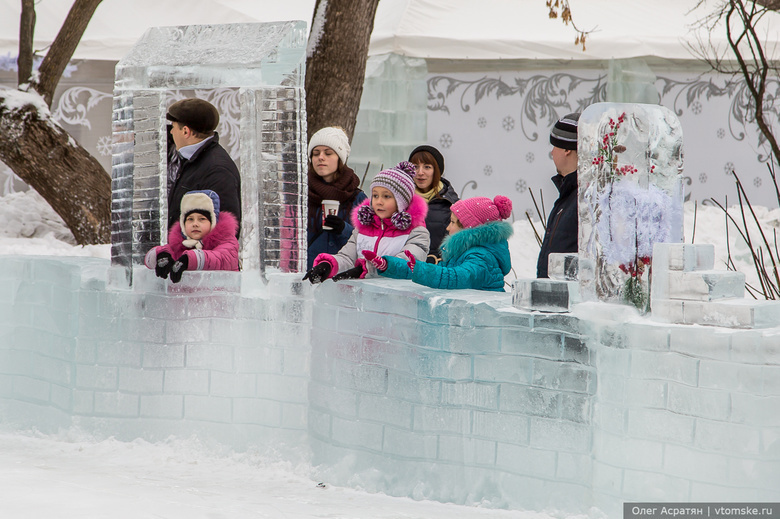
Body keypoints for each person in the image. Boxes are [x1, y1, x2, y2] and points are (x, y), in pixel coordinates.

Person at [303, 161, 430, 283]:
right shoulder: (363, 228)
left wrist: (366, 269)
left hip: (397, 302)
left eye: (386, 196)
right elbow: (347, 257)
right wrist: (330, 265)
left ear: (401, 202)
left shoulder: (417, 232)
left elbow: (406, 264)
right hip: (363, 301)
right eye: (375, 195)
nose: (379, 201)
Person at [379, 196, 514, 292]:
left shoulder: (482, 258)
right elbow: (440, 271)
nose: (448, 228)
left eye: (453, 222)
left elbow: (454, 277)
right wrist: (389, 265)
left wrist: (419, 269)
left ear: (468, 228)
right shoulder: (463, 253)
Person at [166, 98, 241, 238]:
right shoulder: (193, 160)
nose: (171, 132)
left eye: (173, 127)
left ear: (185, 132)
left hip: (200, 259)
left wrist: (194, 258)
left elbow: (224, 233)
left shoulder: (217, 170)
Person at [145, 190, 239, 283]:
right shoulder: (181, 245)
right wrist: (162, 256)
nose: (195, 224)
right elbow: (154, 256)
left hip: (219, 297)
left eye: (202, 219)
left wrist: (188, 260)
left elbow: (222, 260)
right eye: (190, 219)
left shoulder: (226, 241)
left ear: (213, 222)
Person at [306, 126, 367, 270]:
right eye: (315, 153)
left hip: (342, 282)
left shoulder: (357, 198)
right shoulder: (301, 196)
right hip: (307, 280)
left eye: (328, 153)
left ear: (340, 158)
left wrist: (343, 230)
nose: (321, 157)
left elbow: (369, 243)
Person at [537, 112, 580, 278]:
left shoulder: (583, 198)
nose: (552, 153)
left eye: (555, 146)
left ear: (567, 149)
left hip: (569, 298)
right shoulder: (568, 195)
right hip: (555, 296)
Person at [408, 145, 459, 263]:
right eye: (415, 167)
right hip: (404, 267)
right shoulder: (401, 200)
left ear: (436, 171)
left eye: (427, 167)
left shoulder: (451, 203)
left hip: (437, 270)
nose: (420, 172)